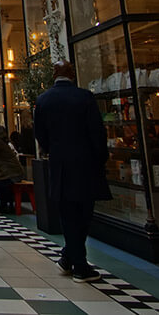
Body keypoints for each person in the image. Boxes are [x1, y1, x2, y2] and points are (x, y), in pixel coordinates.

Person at [34, 60, 111, 283]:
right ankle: (80, 266)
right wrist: (100, 157)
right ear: (72, 74)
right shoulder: (84, 97)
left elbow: (41, 135)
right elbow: (97, 132)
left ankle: (69, 257)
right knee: (84, 213)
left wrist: (54, 152)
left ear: (54, 75)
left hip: (60, 166)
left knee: (68, 215)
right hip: (86, 164)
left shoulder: (43, 100)